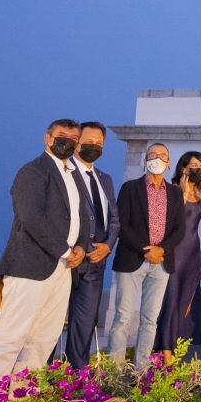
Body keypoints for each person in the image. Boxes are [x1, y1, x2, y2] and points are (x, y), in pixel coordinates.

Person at [0, 120, 91, 402]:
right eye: (62, 137)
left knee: (42, 341)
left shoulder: (74, 176)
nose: (68, 142)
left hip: (62, 270)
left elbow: (81, 217)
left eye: (74, 138)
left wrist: (81, 246)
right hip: (30, 267)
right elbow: (31, 217)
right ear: (47, 139)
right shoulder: (33, 171)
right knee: (9, 339)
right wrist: (63, 249)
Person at [109, 142, 185, 366]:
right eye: (152, 155)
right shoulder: (130, 188)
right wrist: (147, 250)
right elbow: (122, 224)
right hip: (132, 259)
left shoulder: (175, 192)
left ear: (169, 163)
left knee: (150, 320)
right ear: (145, 161)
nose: (157, 159)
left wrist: (162, 250)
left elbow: (179, 228)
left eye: (162, 156)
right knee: (122, 318)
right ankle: (114, 371)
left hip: (162, 262)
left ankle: (141, 370)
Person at [153, 150, 201, 359]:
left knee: (185, 304)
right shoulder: (171, 190)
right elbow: (169, 221)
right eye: (192, 166)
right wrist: (182, 194)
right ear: (183, 168)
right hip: (173, 252)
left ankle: (176, 351)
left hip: (192, 253)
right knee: (170, 301)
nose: (196, 170)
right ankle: (165, 355)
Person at [65, 121, 120, 368]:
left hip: (96, 264)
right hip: (67, 260)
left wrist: (108, 245)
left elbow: (115, 220)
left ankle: (76, 378)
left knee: (85, 324)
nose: (94, 146)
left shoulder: (104, 179)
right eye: (89, 142)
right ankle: (43, 378)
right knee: (50, 323)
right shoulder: (64, 172)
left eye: (99, 143)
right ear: (76, 142)